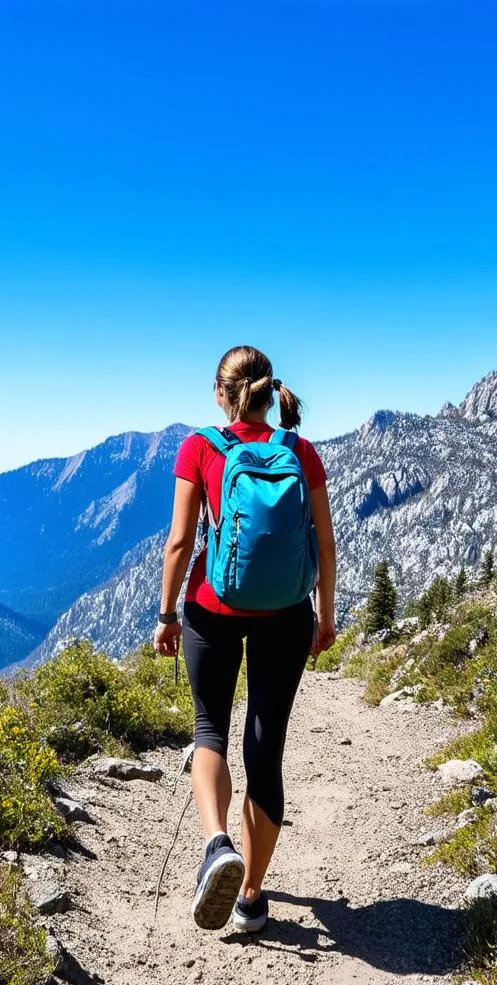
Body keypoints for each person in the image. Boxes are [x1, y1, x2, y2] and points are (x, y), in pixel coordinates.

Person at [154, 345, 337, 934]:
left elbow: (181, 542)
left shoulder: (200, 447)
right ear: (268, 392)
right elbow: (326, 545)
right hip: (287, 614)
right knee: (267, 749)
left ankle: (216, 845)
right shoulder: (299, 451)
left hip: (213, 606)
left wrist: (166, 614)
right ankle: (252, 897)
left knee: (210, 727)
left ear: (220, 393)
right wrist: (326, 618)